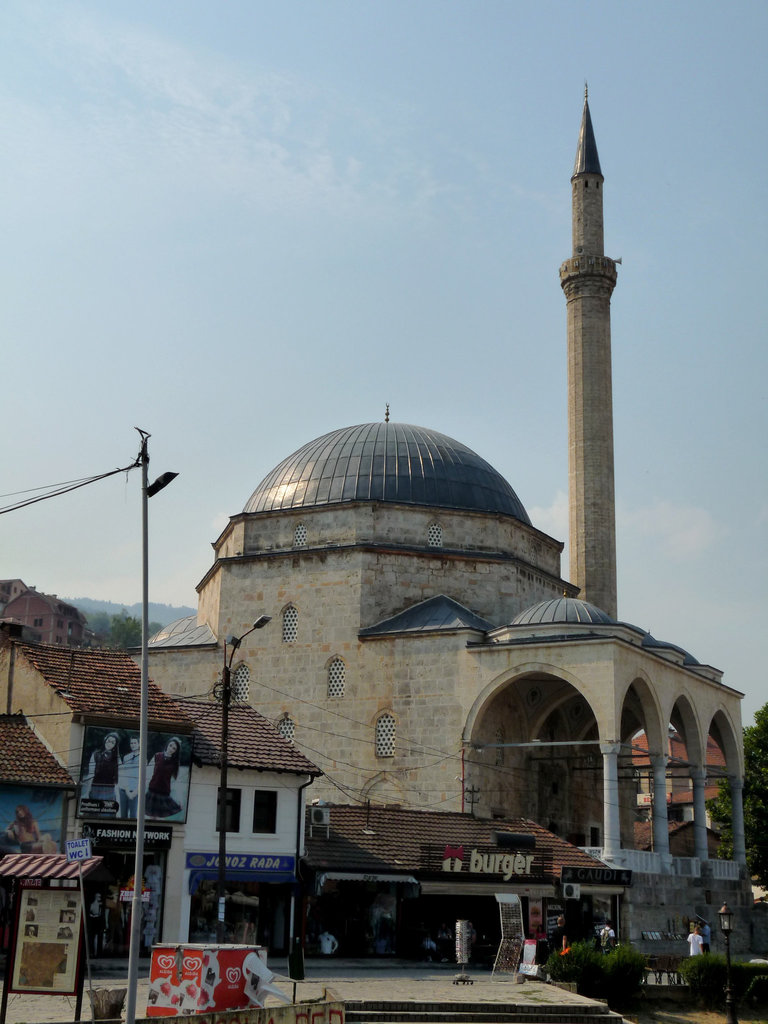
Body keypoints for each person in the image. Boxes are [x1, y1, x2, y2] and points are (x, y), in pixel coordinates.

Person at [145, 738, 183, 818]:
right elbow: (148, 772)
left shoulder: (175, 763)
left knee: (158, 820)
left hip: (164, 795)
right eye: (170, 745)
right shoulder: (157, 755)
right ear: (167, 745)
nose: (171, 749)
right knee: (149, 818)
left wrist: (179, 799)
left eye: (174, 748)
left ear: (176, 751)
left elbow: (176, 781)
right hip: (152, 791)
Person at [87, 732, 121, 811]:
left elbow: (118, 778)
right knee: (93, 812)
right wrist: (88, 790)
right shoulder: (96, 754)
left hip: (109, 790)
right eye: (109, 741)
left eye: (113, 742)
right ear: (105, 740)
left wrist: (117, 795)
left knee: (107, 813)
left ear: (115, 745)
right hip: (95, 787)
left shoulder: (117, 758)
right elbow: (91, 773)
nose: (110, 744)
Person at [119, 735, 141, 818]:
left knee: (133, 816)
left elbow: (143, 778)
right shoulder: (126, 757)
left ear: (139, 744)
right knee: (123, 815)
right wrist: (127, 790)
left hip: (135, 791)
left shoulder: (143, 758)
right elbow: (124, 774)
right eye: (131, 743)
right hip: (124, 790)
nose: (133, 745)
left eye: (135, 743)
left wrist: (135, 792)